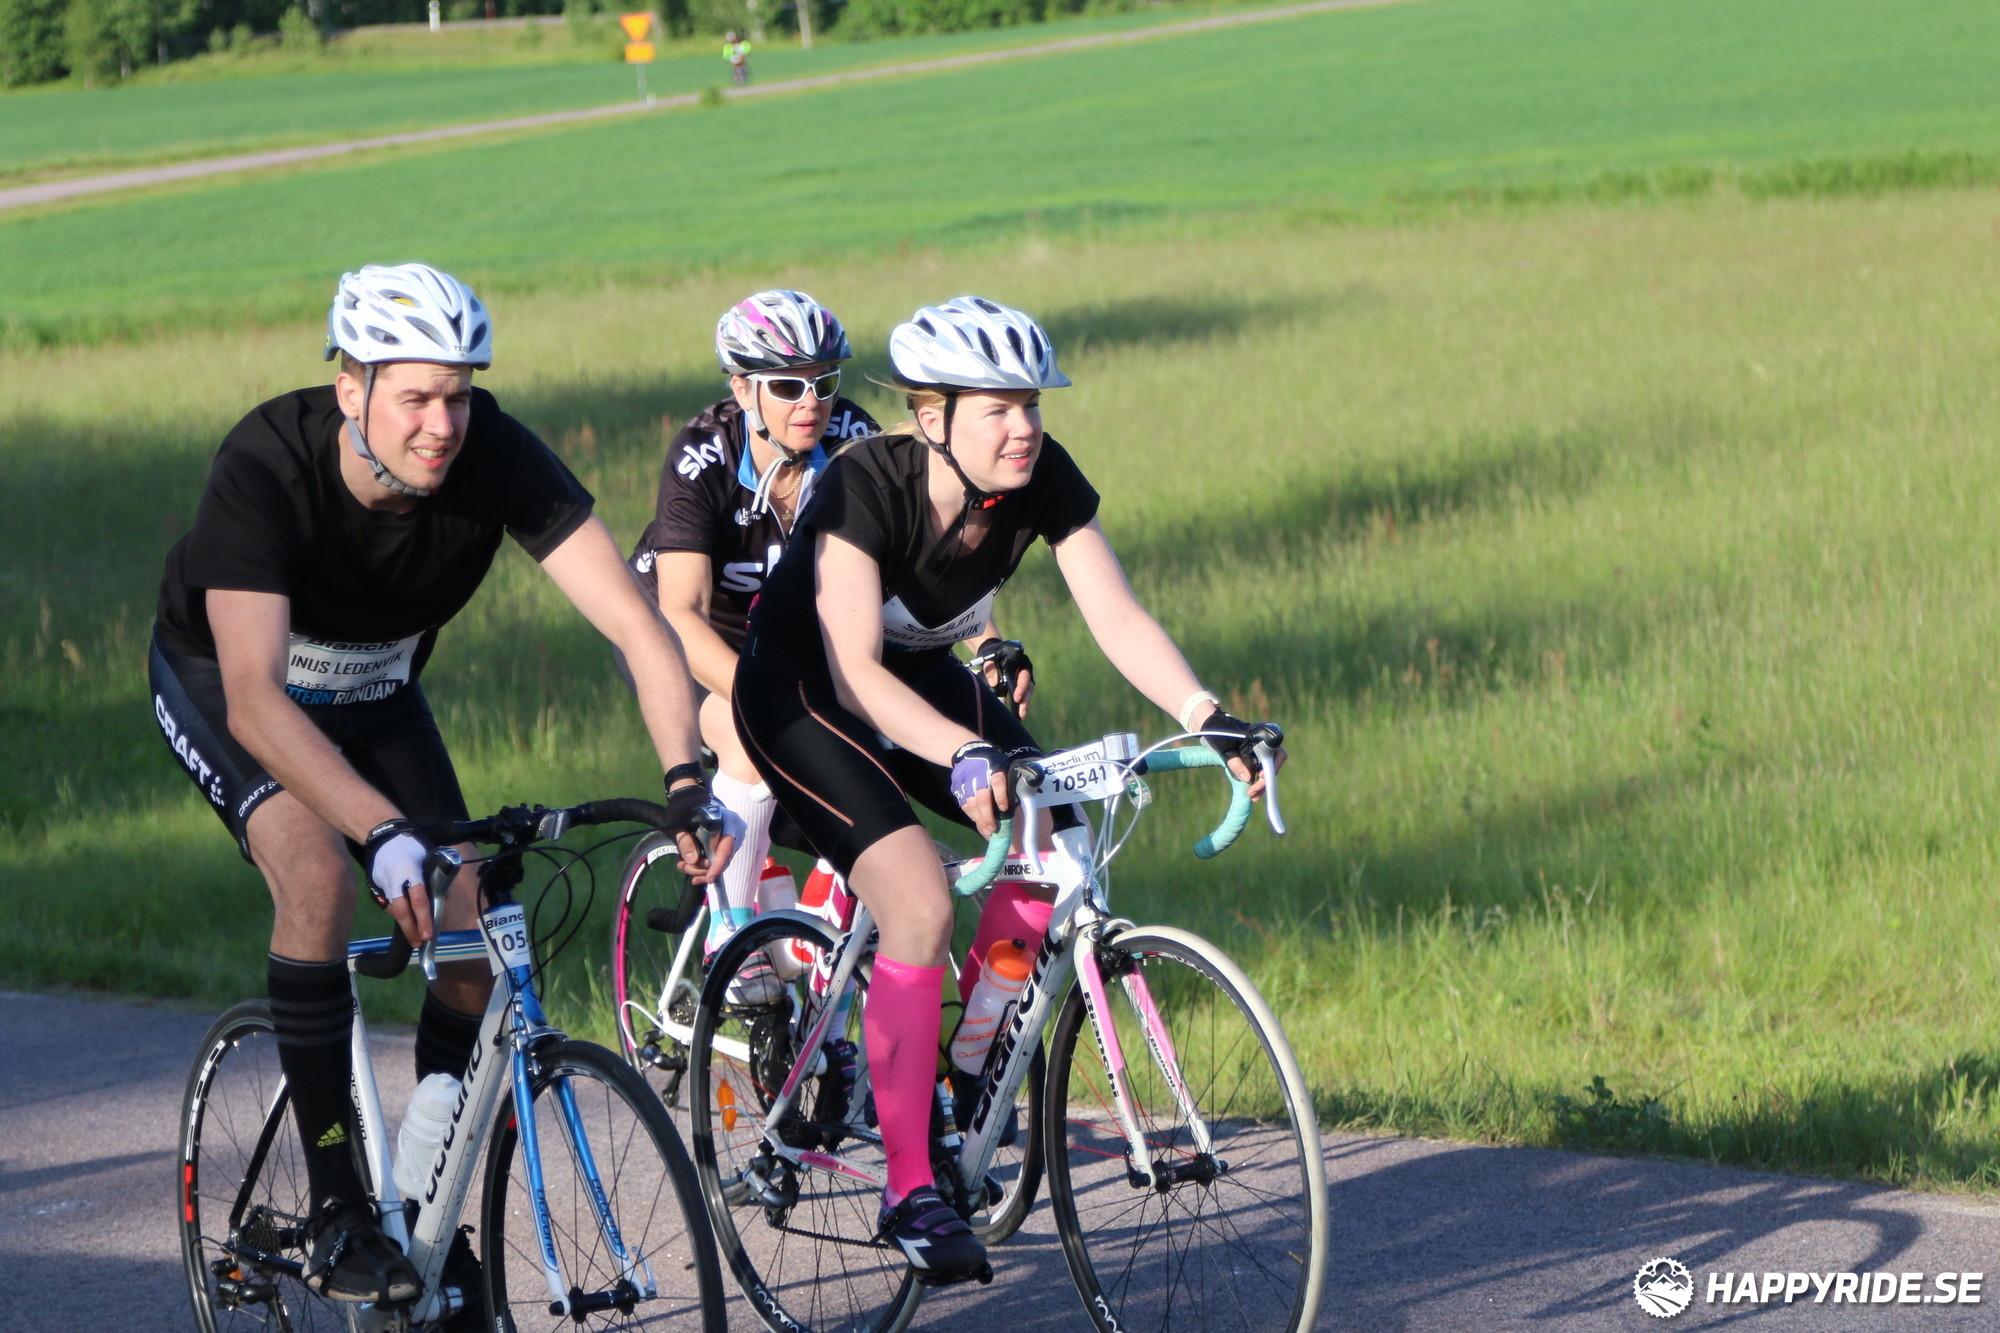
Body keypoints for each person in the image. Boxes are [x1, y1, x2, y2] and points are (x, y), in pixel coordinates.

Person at [149, 263, 731, 1307]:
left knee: (474, 927)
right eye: (414, 396)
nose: (442, 423)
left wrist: (688, 779)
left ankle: (422, 1205)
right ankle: (338, 1208)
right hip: (232, 688)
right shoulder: (265, 464)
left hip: (376, 692)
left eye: (458, 395)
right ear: (351, 388)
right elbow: (255, 701)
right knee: (317, 874)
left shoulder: (493, 454)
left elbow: (638, 625)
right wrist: (379, 830)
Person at [730, 295, 1284, 1282]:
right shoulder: (866, 483)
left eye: (1030, 403)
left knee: (1060, 836)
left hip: (920, 680)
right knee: (919, 901)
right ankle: (910, 1191)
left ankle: (967, 1069)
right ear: (931, 417)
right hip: (802, 693)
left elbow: (1115, 614)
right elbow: (854, 674)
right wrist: (963, 752)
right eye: (997, 408)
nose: (1023, 426)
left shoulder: (1040, 477)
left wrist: (1207, 714)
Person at [627, 289, 877, 999]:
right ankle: (730, 937)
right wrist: (766, 697)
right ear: (743, 389)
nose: (811, 402)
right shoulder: (703, 455)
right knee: (749, 729)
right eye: (788, 386)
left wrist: (983, 639)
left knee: (875, 740)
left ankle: (809, 919)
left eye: (824, 381)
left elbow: (910, 565)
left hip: (784, 641)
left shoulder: (855, 439)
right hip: (683, 637)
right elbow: (681, 612)